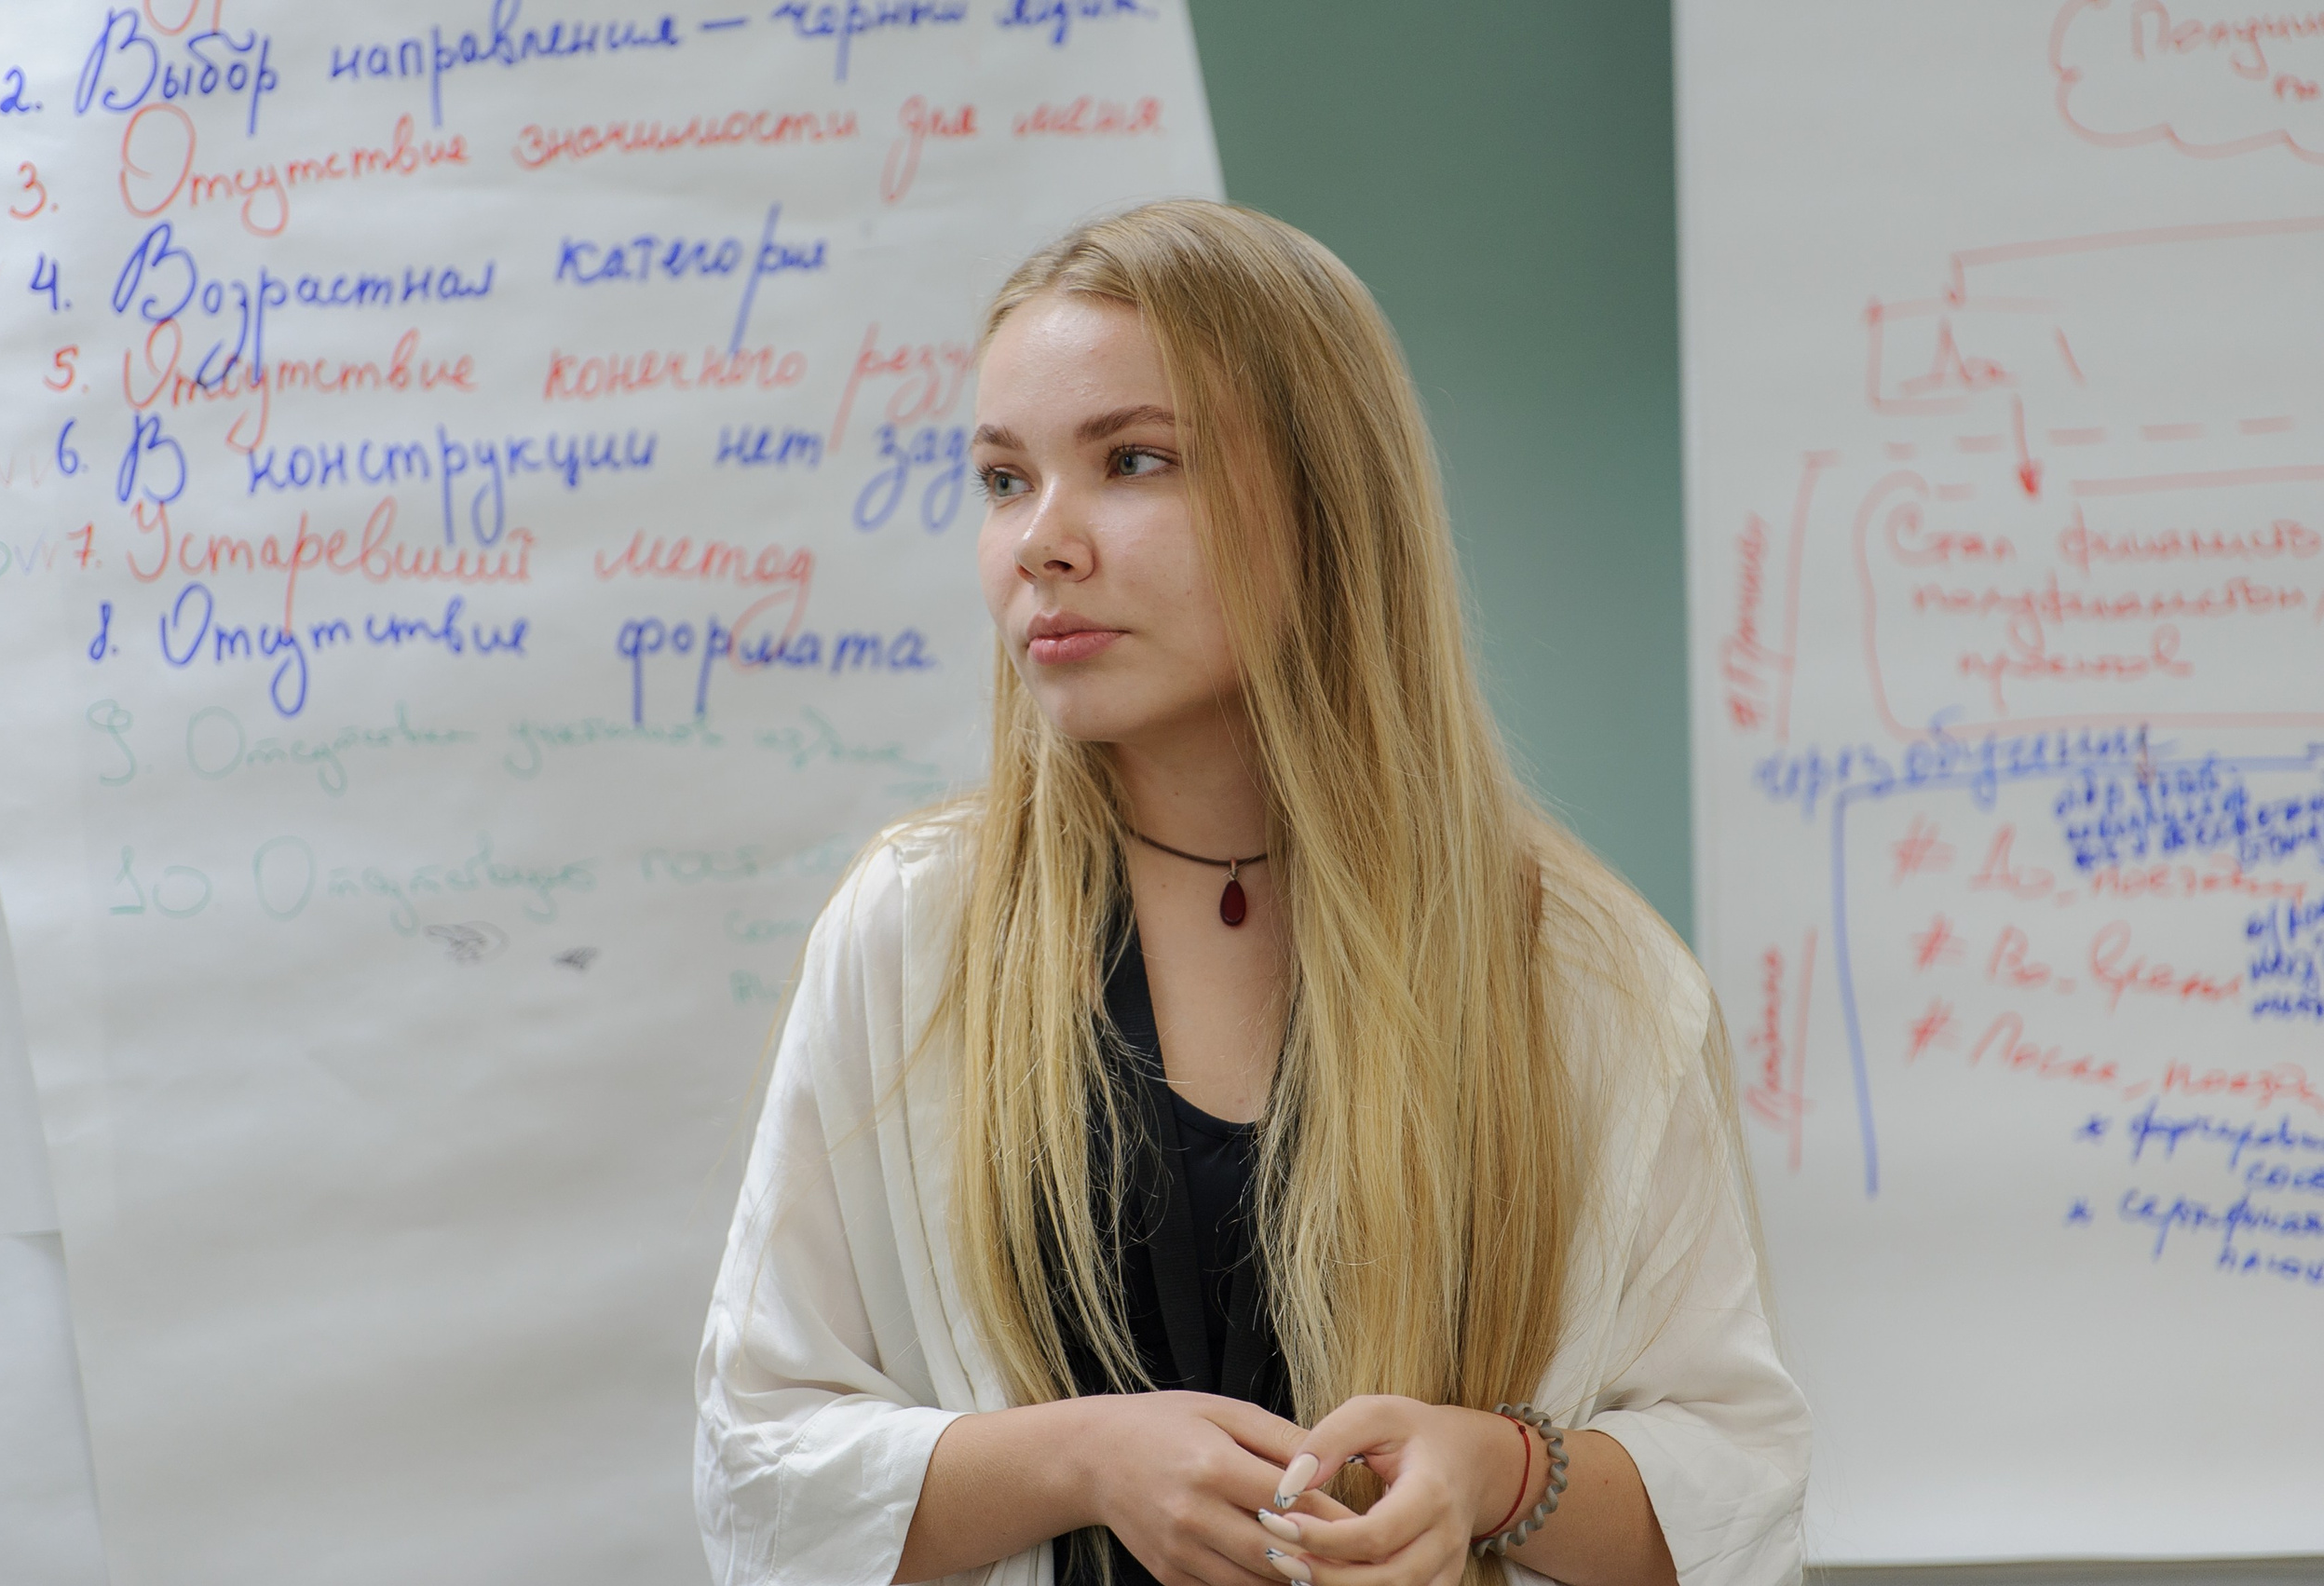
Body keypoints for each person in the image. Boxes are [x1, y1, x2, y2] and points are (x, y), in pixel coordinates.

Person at [695, 198, 1807, 1586]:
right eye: (1001, 479)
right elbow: (756, 1465)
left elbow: (1739, 1495)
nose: (1042, 542)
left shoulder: (1584, 973)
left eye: (1133, 461)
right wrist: (1086, 1460)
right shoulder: (914, 932)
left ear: (1326, 502)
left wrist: (1500, 1473)